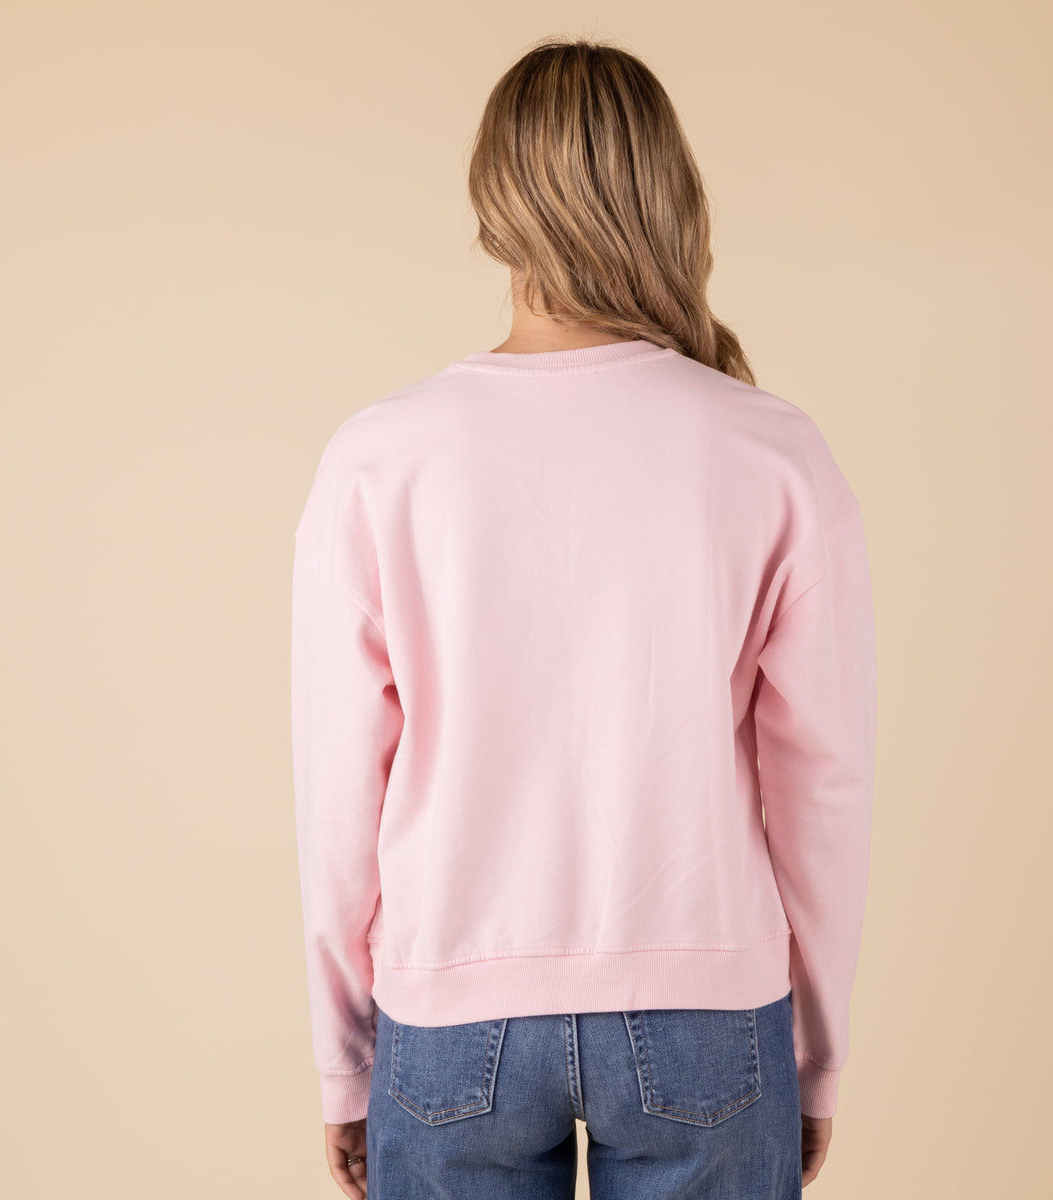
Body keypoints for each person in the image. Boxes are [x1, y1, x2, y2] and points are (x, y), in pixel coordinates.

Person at [291, 35, 877, 1200]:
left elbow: (339, 788)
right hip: (709, 1012)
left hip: (450, 1013)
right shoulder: (771, 449)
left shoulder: (380, 459)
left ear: (493, 208)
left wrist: (343, 1060)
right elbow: (824, 780)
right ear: (671, 194)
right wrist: (815, 1051)